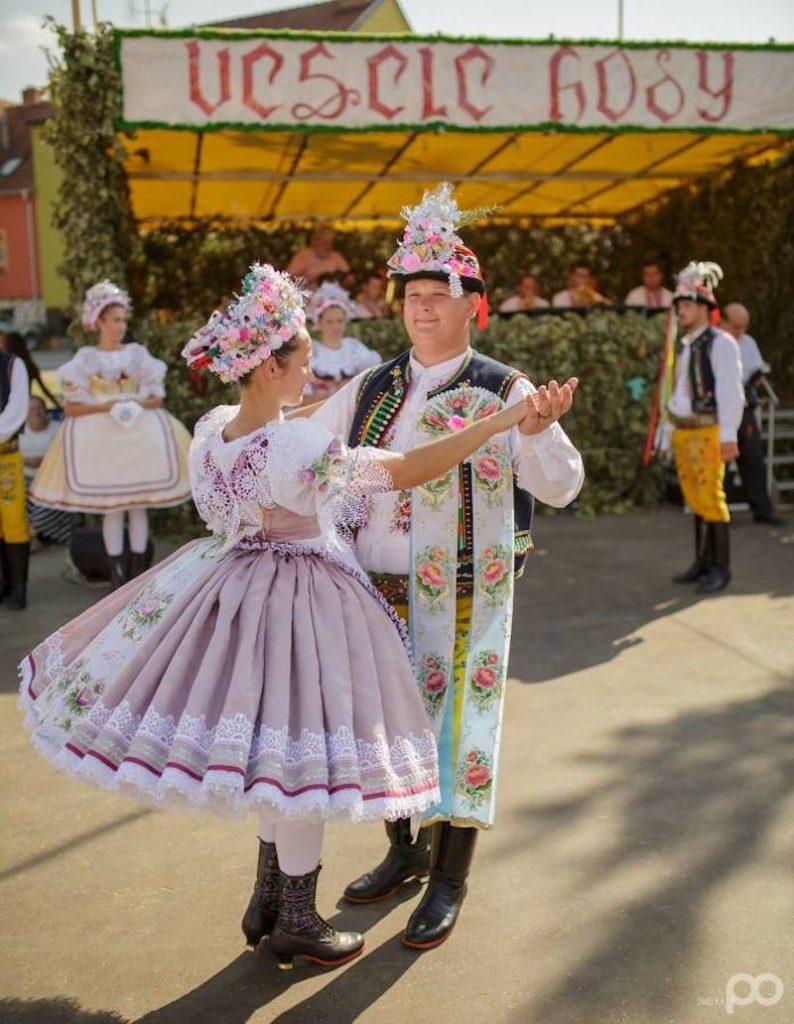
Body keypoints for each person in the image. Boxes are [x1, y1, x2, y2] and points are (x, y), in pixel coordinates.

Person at [19, 263, 543, 971]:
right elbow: (407, 469)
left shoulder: (212, 434)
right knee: (301, 756)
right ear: (270, 367)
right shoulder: (295, 448)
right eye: (299, 365)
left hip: (227, 589)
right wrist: (504, 418)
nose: (310, 379)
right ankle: (296, 916)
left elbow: (274, 437)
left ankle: (266, 899)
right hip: (303, 601)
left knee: (268, 747)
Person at [312, 182, 584, 950]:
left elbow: (562, 487)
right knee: (386, 729)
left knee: (459, 730)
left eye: (438, 295)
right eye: (412, 295)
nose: (422, 308)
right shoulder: (370, 386)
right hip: (373, 590)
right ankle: (405, 851)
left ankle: (449, 877)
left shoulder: (506, 388)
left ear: (473, 307)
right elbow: (316, 456)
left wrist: (533, 434)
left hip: (465, 591)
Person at [29, 282, 192, 588]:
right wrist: (106, 406)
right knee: (113, 507)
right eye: (115, 320)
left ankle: (140, 575)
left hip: (136, 436)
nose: (121, 326)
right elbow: (72, 407)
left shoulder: (137, 354)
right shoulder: (86, 359)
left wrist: (132, 404)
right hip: (103, 441)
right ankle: (119, 578)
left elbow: (156, 398)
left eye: (123, 320)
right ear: (99, 322)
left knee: (139, 504)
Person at [668, 262, 744, 594]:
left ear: (703, 308)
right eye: (680, 306)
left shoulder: (721, 342)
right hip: (685, 429)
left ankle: (721, 567)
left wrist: (728, 436)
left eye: (686, 306)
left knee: (712, 497)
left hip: (708, 430)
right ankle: (703, 561)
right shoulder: (685, 345)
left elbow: (731, 392)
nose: (681, 312)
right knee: (694, 497)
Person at [722, 302, 784, 525]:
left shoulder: (748, 342)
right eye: (736, 327)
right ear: (724, 321)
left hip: (745, 405)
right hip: (722, 407)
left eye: (743, 327)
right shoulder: (717, 341)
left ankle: (762, 510)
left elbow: (756, 369)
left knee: (753, 458)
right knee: (722, 462)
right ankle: (721, 513)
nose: (740, 332)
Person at [307, 281, 380, 399]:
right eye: (329, 322)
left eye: (339, 321)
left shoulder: (353, 348)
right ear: (319, 323)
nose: (335, 327)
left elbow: (373, 378)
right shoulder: (313, 352)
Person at [0, 334, 31, 609]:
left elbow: (16, 411)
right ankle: (3, 584)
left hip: (5, 456)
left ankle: (19, 588)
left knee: (14, 521)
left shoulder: (12, 365)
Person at [19, 396, 76, 545]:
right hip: (24, 481)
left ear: (46, 410)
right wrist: (25, 461)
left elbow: (71, 455)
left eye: (39, 408)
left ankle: (73, 539)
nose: (36, 412)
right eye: (31, 409)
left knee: (40, 520)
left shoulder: (59, 428)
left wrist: (45, 462)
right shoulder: (18, 432)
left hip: (53, 482)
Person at [0, 330, 62, 410]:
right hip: (24, 404)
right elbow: (44, 388)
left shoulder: (7, 365)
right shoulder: (28, 365)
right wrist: (57, 404)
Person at [286, 226, 350, 288]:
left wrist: (344, 280)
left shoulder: (336, 256)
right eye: (325, 243)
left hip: (333, 295)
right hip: (309, 295)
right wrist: (311, 278)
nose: (328, 247)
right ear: (315, 241)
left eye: (330, 243)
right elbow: (288, 279)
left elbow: (348, 276)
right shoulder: (303, 256)